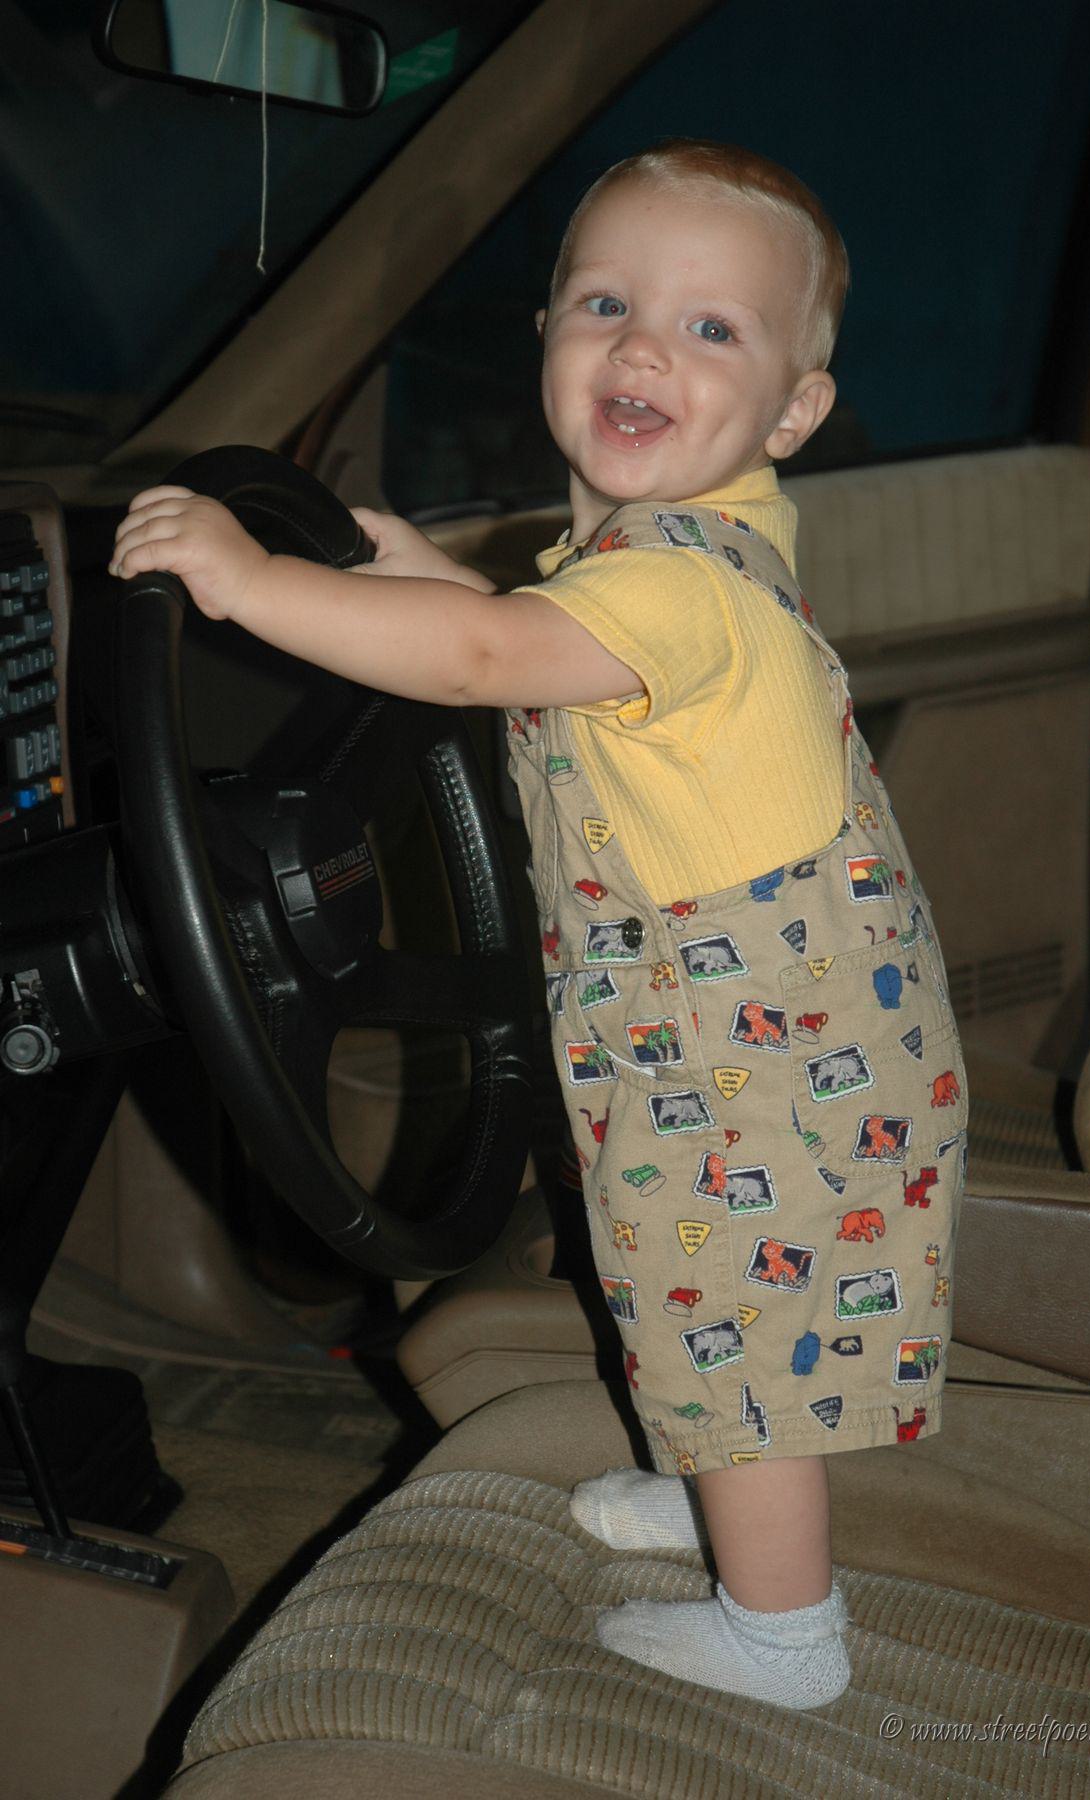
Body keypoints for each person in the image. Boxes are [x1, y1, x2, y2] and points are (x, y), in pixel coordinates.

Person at [110, 139, 967, 1714]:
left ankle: (785, 1636)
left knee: (725, 1324)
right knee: (687, 1292)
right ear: (548, 337)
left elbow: (484, 660)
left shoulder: (681, 591)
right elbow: (529, 647)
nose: (642, 347)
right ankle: (718, 1498)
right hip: (757, 1044)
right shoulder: (663, 562)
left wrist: (241, 581)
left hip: (761, 1074)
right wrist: (425, 573)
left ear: (792, 413)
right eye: (605, 304)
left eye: (711, 328)